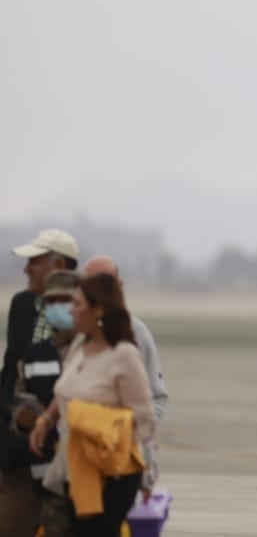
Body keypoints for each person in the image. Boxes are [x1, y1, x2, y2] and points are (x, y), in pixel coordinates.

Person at [27, 273, 154, 537]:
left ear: (98, 309)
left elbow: (143, 419)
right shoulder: (79, 345)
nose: (71, 311)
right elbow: (65, 390)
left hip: (110, 473)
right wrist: (47, 419)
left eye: (77, 304)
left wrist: (107, 438)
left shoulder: (124, 355)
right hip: (73, 467)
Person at [2, 229, 78, 536]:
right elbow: (10, 369)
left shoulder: (88, 316)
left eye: (33, 261)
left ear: (57, 265)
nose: (26, 269)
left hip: (68, 453)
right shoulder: (21, 305)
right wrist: (12, 417)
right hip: (20, 447)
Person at [17, 271, 80, 537]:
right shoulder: (33, 356)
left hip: (89, 473)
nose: (57, 307)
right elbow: (20, 398)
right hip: (48, 480)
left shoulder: (97, 350)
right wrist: (21, 419)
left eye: (64, 299)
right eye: (51, 301)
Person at [81, 257, 167, 423]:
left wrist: (132, 435)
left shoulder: (137, 333)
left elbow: (157, 398)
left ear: (119, 285)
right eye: (89, 283)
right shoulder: (78, 335)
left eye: (104, 283)